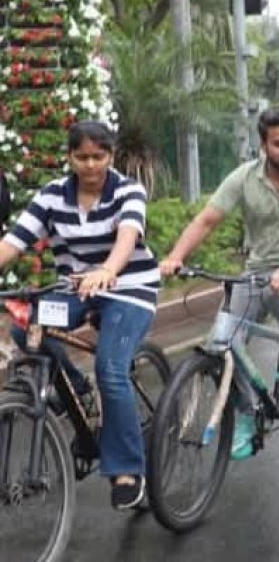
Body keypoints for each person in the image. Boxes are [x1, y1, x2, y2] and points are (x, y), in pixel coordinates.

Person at [160, 109, 279, 460]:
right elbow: (208, 219)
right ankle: (247, 409)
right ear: (263, 145)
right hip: (257, 271)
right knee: (222, 339)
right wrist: (176, 256)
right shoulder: (244, 177)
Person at [2, 121, 160, 509]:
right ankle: (78, 389)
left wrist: (108, 270)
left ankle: (126, 470)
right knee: (27, 329)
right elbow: (13, 241)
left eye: (99, 156)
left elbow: (127, 236)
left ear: (111, 155)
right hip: (74, 288)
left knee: (110, 368)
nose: (90, 165)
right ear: (70, 157)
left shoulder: (128, 190)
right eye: (82, 157)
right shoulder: (52, 195)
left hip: (128, 288)